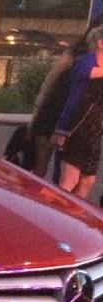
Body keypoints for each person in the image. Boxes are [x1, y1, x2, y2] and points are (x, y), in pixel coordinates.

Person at [27, 13, 103, 178]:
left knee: (61, 171)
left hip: (74, 120)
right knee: (43, 169)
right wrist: (35, 116)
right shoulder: (74, 56)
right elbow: (48, 85)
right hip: (56, 114)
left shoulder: (80, 56)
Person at [51, 25, 103, 200]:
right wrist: (61, 130)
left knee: (87, 180)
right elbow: (91, 74)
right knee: (70, 179)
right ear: (100, 43)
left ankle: (76, 214)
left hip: (95, 129)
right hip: (77, 125)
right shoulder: (85, 62)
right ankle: (57, 211)